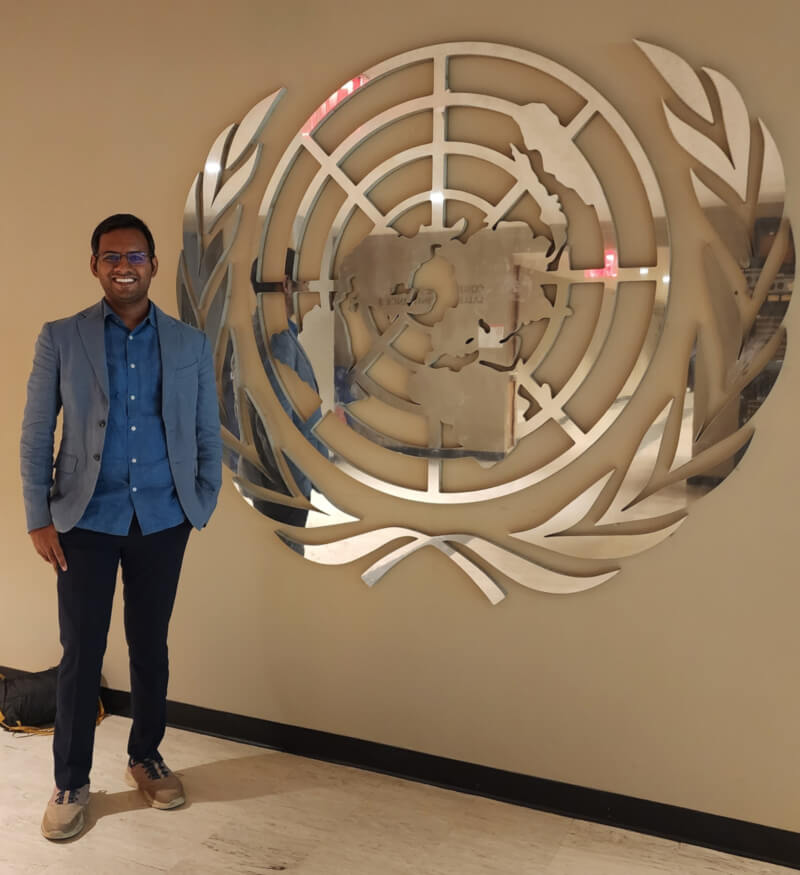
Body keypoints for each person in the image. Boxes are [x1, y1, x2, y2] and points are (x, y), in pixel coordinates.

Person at [20, 214, 222, 840]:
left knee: (150, 646)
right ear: (95, 265)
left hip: (164, 519)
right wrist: (38, 517)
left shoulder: (189, 343)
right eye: (111, 256)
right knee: (81, 651)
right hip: (84, 520)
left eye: (135, 255)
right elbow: (35, 434)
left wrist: (201, 502)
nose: (124, 266)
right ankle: (71, 780)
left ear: (153, 265)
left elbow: (208, 432)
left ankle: (146, 755)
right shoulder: (62, 337)